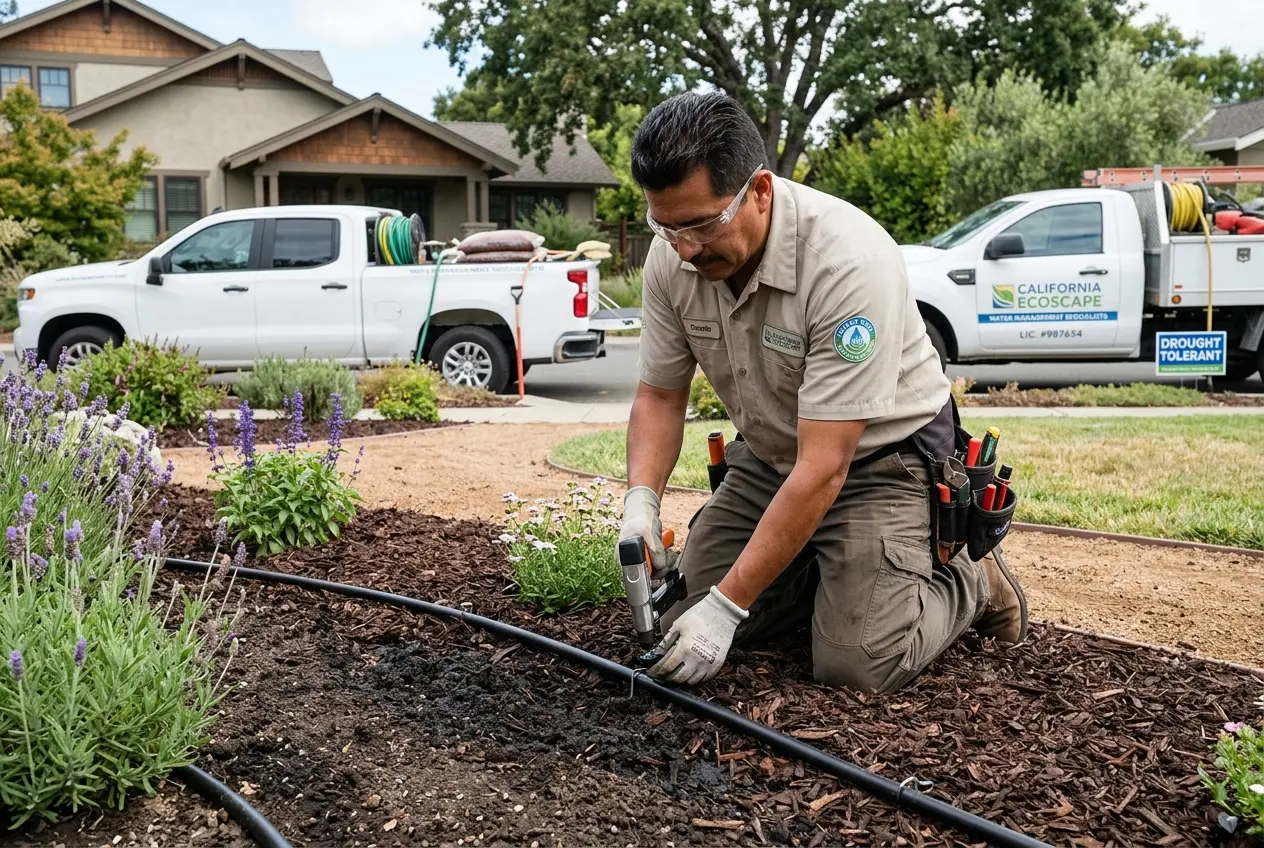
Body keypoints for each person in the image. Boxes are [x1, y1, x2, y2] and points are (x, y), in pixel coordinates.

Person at [617, 91, 1027, 693]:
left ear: (758, 191)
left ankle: (972, 579)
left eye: (701, 224)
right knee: (679, 619)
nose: (683, 248)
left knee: (856, 663)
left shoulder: (846, 261)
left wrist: (729, 608)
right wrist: (640, 502)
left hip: (881, 462)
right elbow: (659, 396)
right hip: (774, 454)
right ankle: (831, 571)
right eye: (666, 224)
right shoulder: (672, 255)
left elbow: (826, 465)